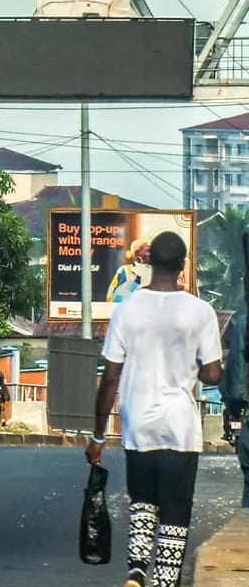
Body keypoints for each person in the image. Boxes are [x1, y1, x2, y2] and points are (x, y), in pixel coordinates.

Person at [86, 231, 222, 587]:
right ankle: (163, 582)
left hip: (138, 424)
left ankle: (135, 571)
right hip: (181, 426)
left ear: (147, 262)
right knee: (175, 513)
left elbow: (110, 377)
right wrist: (194, 362)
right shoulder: (201, 311)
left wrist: (97, 436)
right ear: (182, 265)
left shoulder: (127, 309)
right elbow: (212, 374)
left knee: (143, 502)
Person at [108, 238, 151, 303]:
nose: (151, 254)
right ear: (137, 253)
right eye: (147, 251)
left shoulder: (157, 272)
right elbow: (112, 294)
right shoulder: (125, 270)